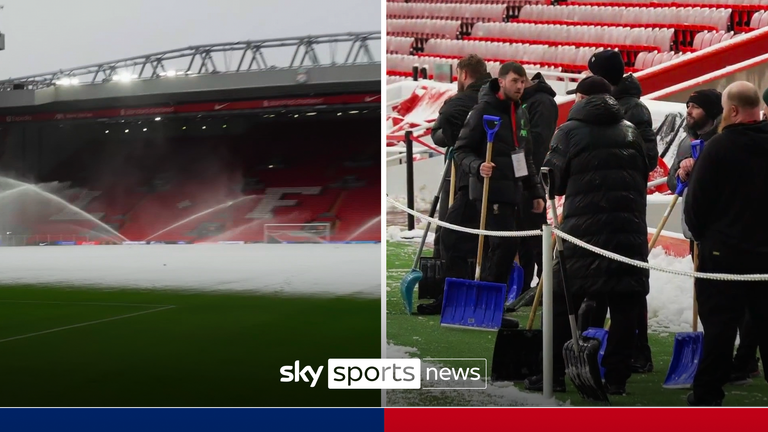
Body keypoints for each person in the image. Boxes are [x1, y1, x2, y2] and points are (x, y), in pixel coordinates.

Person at [525, 76, 651, 395]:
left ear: (581, 98)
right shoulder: (630, 130)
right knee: (625, 306)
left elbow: (554, 182)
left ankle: (550, 374)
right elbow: (643, 171)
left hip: (584, 232)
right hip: (628, 232)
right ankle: (617, 378)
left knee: (560, 298)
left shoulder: (568, 132)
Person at [568, 49, 659, 374]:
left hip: (621, 208)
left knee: (627, 288)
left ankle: (638, 351)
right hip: (597, 209)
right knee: (603, 285)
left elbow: (648, 158)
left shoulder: (635, 110)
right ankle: (603, 350)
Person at [685, 81, 768, 407]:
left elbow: (696, 209)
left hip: (723, 257)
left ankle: (707, 398)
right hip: (766, 258)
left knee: (719, 332)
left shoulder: (719, 148)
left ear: (732, 110)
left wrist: (706, 237)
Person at [453, 61, 546, 287]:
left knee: (507, 246)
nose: (519, 86)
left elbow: (526, 156)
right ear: (501, 81)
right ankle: (489, 297)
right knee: (503, 246)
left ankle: (493, 299)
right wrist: (477, 165)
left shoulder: (521, 113)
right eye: (515, 81)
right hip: (489, 191)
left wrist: (535, 191)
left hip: (514, 191)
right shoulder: (483, 110)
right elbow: (461, 150)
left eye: (522, 82)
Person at [418, 55, 493, 315]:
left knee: (451, 237)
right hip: (502, 181)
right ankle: (479, 297)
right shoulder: (502, 101)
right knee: (489, 242)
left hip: (470, 178)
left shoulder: (460, 102)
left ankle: (456, 298)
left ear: (462, 74)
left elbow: (441, 133)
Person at [517, 72, 558, 299]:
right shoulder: (524, 102)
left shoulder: (542, 103)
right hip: (522, 176)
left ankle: (543, 286)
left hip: (532, 178)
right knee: (525, 235)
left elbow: (537, 144)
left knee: (534, 235)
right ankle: (525, 286)